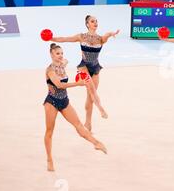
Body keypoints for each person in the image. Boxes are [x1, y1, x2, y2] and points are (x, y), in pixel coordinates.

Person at [44, 43, 107, 172]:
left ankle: (96, 143)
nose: (61, 56)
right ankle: (49, 159)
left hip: (64, 101)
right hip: (52, 102)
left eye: (61, 53)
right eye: (57, 54)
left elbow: (65, 62)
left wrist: (66, 63)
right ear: (51, 55)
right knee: (50, 132)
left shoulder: (62, 65)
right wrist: (78, 83)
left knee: (78, 125)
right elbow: (59, 85)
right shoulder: (50, 70)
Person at [51, 15, 120, 131]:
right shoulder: (81, 36)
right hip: (84, 67)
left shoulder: (100, 39)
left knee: (90, 97)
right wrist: (51, 38)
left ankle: (88, 123)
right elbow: (65, 39)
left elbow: (106, 35)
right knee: (92, 90)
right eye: (92, 21)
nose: (95, 23)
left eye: (96, 21)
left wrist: (111, 33)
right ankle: (101, 109)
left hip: (95, 68)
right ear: (87, 24)